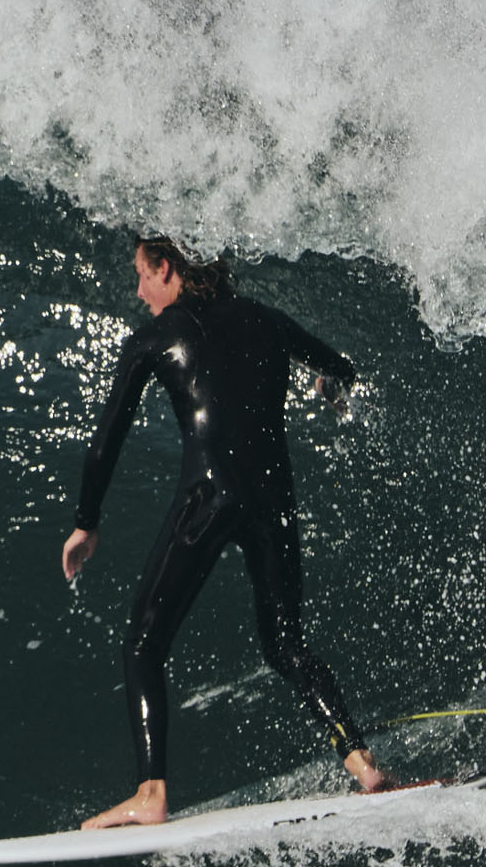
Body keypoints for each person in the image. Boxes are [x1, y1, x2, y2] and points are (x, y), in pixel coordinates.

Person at [61, 236, 390, 828]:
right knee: (286, 644)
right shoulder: (265, 319)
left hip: (208, 499)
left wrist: (86, 523)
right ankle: (365, 767)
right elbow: (341, 369)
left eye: (142, 275)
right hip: (273, 501)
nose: (139, 291)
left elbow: (106, 439)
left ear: (167, 268)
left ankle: (151, 794)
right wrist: (328, 387)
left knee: (143, 643)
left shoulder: (156, 336)